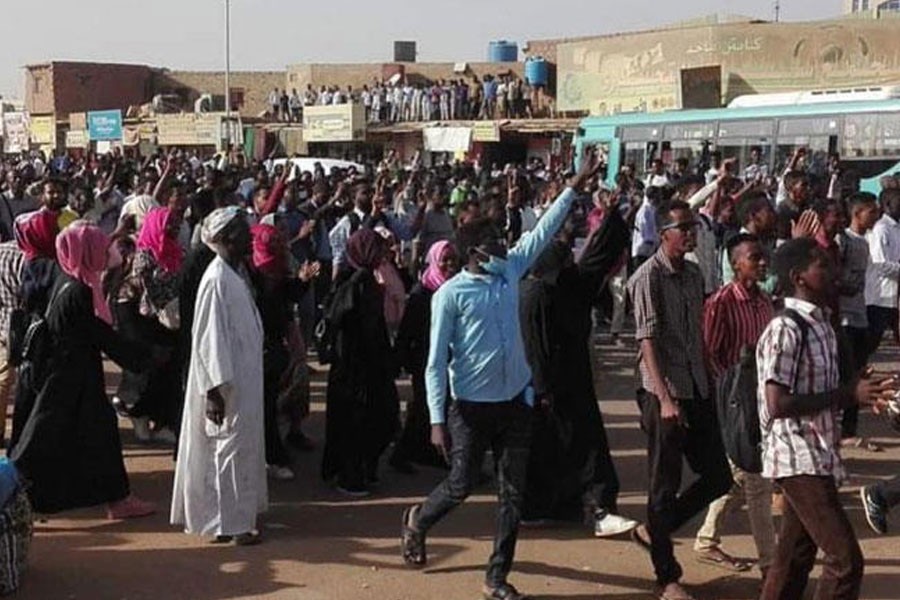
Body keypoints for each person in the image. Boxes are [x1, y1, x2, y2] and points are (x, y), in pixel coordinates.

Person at [399, 152, 603, 600]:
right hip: (470, 409)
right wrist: (436, 419)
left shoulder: (510, 269)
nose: (501, 246)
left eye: (500, 240)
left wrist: (573, 185)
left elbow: (543, 229)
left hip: (515, 403)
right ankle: (419, 521)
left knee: (512, 495)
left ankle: (496, 577)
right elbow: (435, 362)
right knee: (461, 484)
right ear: (473, 250)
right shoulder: (450, 295)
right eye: (491, 242)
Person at [757, 238, 893, 600]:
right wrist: (848, 396)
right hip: (797, 453)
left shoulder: (821, 323)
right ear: (798, 276)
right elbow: (777, 403)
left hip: (819, 450)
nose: (831, 271)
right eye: (821, 265)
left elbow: (827, 387)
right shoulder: (786, 328)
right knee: (845, 561)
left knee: (794, 556)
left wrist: (863, 391)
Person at [10, 222, 156, 519]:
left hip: (71, 374)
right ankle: (9, 491)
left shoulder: (69, 280)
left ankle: (117, 499)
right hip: (68, 379)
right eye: (99, 249)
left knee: (97, 437)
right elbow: (100, 335)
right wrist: (144, 357)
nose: (105, 253)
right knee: (40, 441)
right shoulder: (77, 290)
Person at [627, 200, 733, 600]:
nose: (691, 234)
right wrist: (666, 398)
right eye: (683, 228)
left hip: (697, 386)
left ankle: (655, 530)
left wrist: (711, 375)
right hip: (663, 392)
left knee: (717, 476)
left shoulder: (692, 274)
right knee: (663, 484)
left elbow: (696, 335)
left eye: (694, 228)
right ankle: (666, 576)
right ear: (664, 233)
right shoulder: (647, 277)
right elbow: (647, 343)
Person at [519, 205, 637, 537]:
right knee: (582, 448)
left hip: (567, 381)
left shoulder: (564, 288)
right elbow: (534, 348)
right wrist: (542, 390)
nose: (571, 262)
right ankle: (597, 508)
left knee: (560, 449)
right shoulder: (536, 294)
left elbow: (595, 261)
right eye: (564, 258)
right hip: (552, 387)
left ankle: (555, 507)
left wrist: (613, 221)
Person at [171, 207, 267, 545]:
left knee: (237, 450)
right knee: (225, 451)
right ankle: (231, 525)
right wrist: (213, 390)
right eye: (242, 230)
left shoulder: (234, 274)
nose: (250, 235)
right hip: (226, 385)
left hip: (242, 378)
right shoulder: (215, 279)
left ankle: (233, 519)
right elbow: (208, 339)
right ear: (225, 237)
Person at [692, 234, 776, 578]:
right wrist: (726, 403)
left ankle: (707, 538)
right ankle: (772, 564)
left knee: (737, 477)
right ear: (735, 262)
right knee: (757, 482)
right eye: (753, 258)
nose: (761, 263)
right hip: (734, 405)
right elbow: (709, 354)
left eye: (762, 257)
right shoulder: (721, 302)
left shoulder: (764, 300)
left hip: (762, 401)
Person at [321, 229, 400, 496]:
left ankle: (363, 470)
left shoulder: (366, 281)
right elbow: (355, 327)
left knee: (375, 420)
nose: (383, 255)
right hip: (356, 367)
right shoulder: (357, 284)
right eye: (378, 249)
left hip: (364, 366)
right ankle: (350, 475)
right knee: (357, 423)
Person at [248, 223, 317, 482]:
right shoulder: (249, 274)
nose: (276, 248)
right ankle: (272, 457)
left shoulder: (277, 270)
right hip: (257, 348)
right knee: (263, 405)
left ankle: (282, 443)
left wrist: (302, 281)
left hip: (277, 345)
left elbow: (286, 298)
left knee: (280, 398)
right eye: (271, 244)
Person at [115, 207, 184, 443]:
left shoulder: (177, 252)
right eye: (169, 224)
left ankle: (162, 421)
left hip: (168, 318)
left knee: (170, 369)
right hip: (139, 315)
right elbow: (146, 293)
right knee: (146, 368)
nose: (174, 228)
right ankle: (139, 415)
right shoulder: (145, 254)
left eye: (176, 223)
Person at [392, 240, 459, 470]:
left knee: (435, 408)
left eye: (453, 259)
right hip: (425, 360)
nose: (449, 264)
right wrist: (401, 361)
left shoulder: (454, 289)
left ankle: (429, 453)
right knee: (425, 408)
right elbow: (407, 331)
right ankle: (401, 455)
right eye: (444, 259)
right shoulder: (422, 294)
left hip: (448, 358)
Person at [839, 193, 881, 449]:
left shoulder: (864, 243)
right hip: (844, 318)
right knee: (846, 374)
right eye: (871, 211)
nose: (875, 217)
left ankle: (849, 428)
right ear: (857, 213)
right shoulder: (843, 241)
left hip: (859, 315)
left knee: (859, 372)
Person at [864, 188, 900, 359]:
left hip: (894, 295)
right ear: (887, 205)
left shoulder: (896, 227)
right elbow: (881, 264)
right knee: (873, 338)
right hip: (881, 295)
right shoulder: (881, 229)